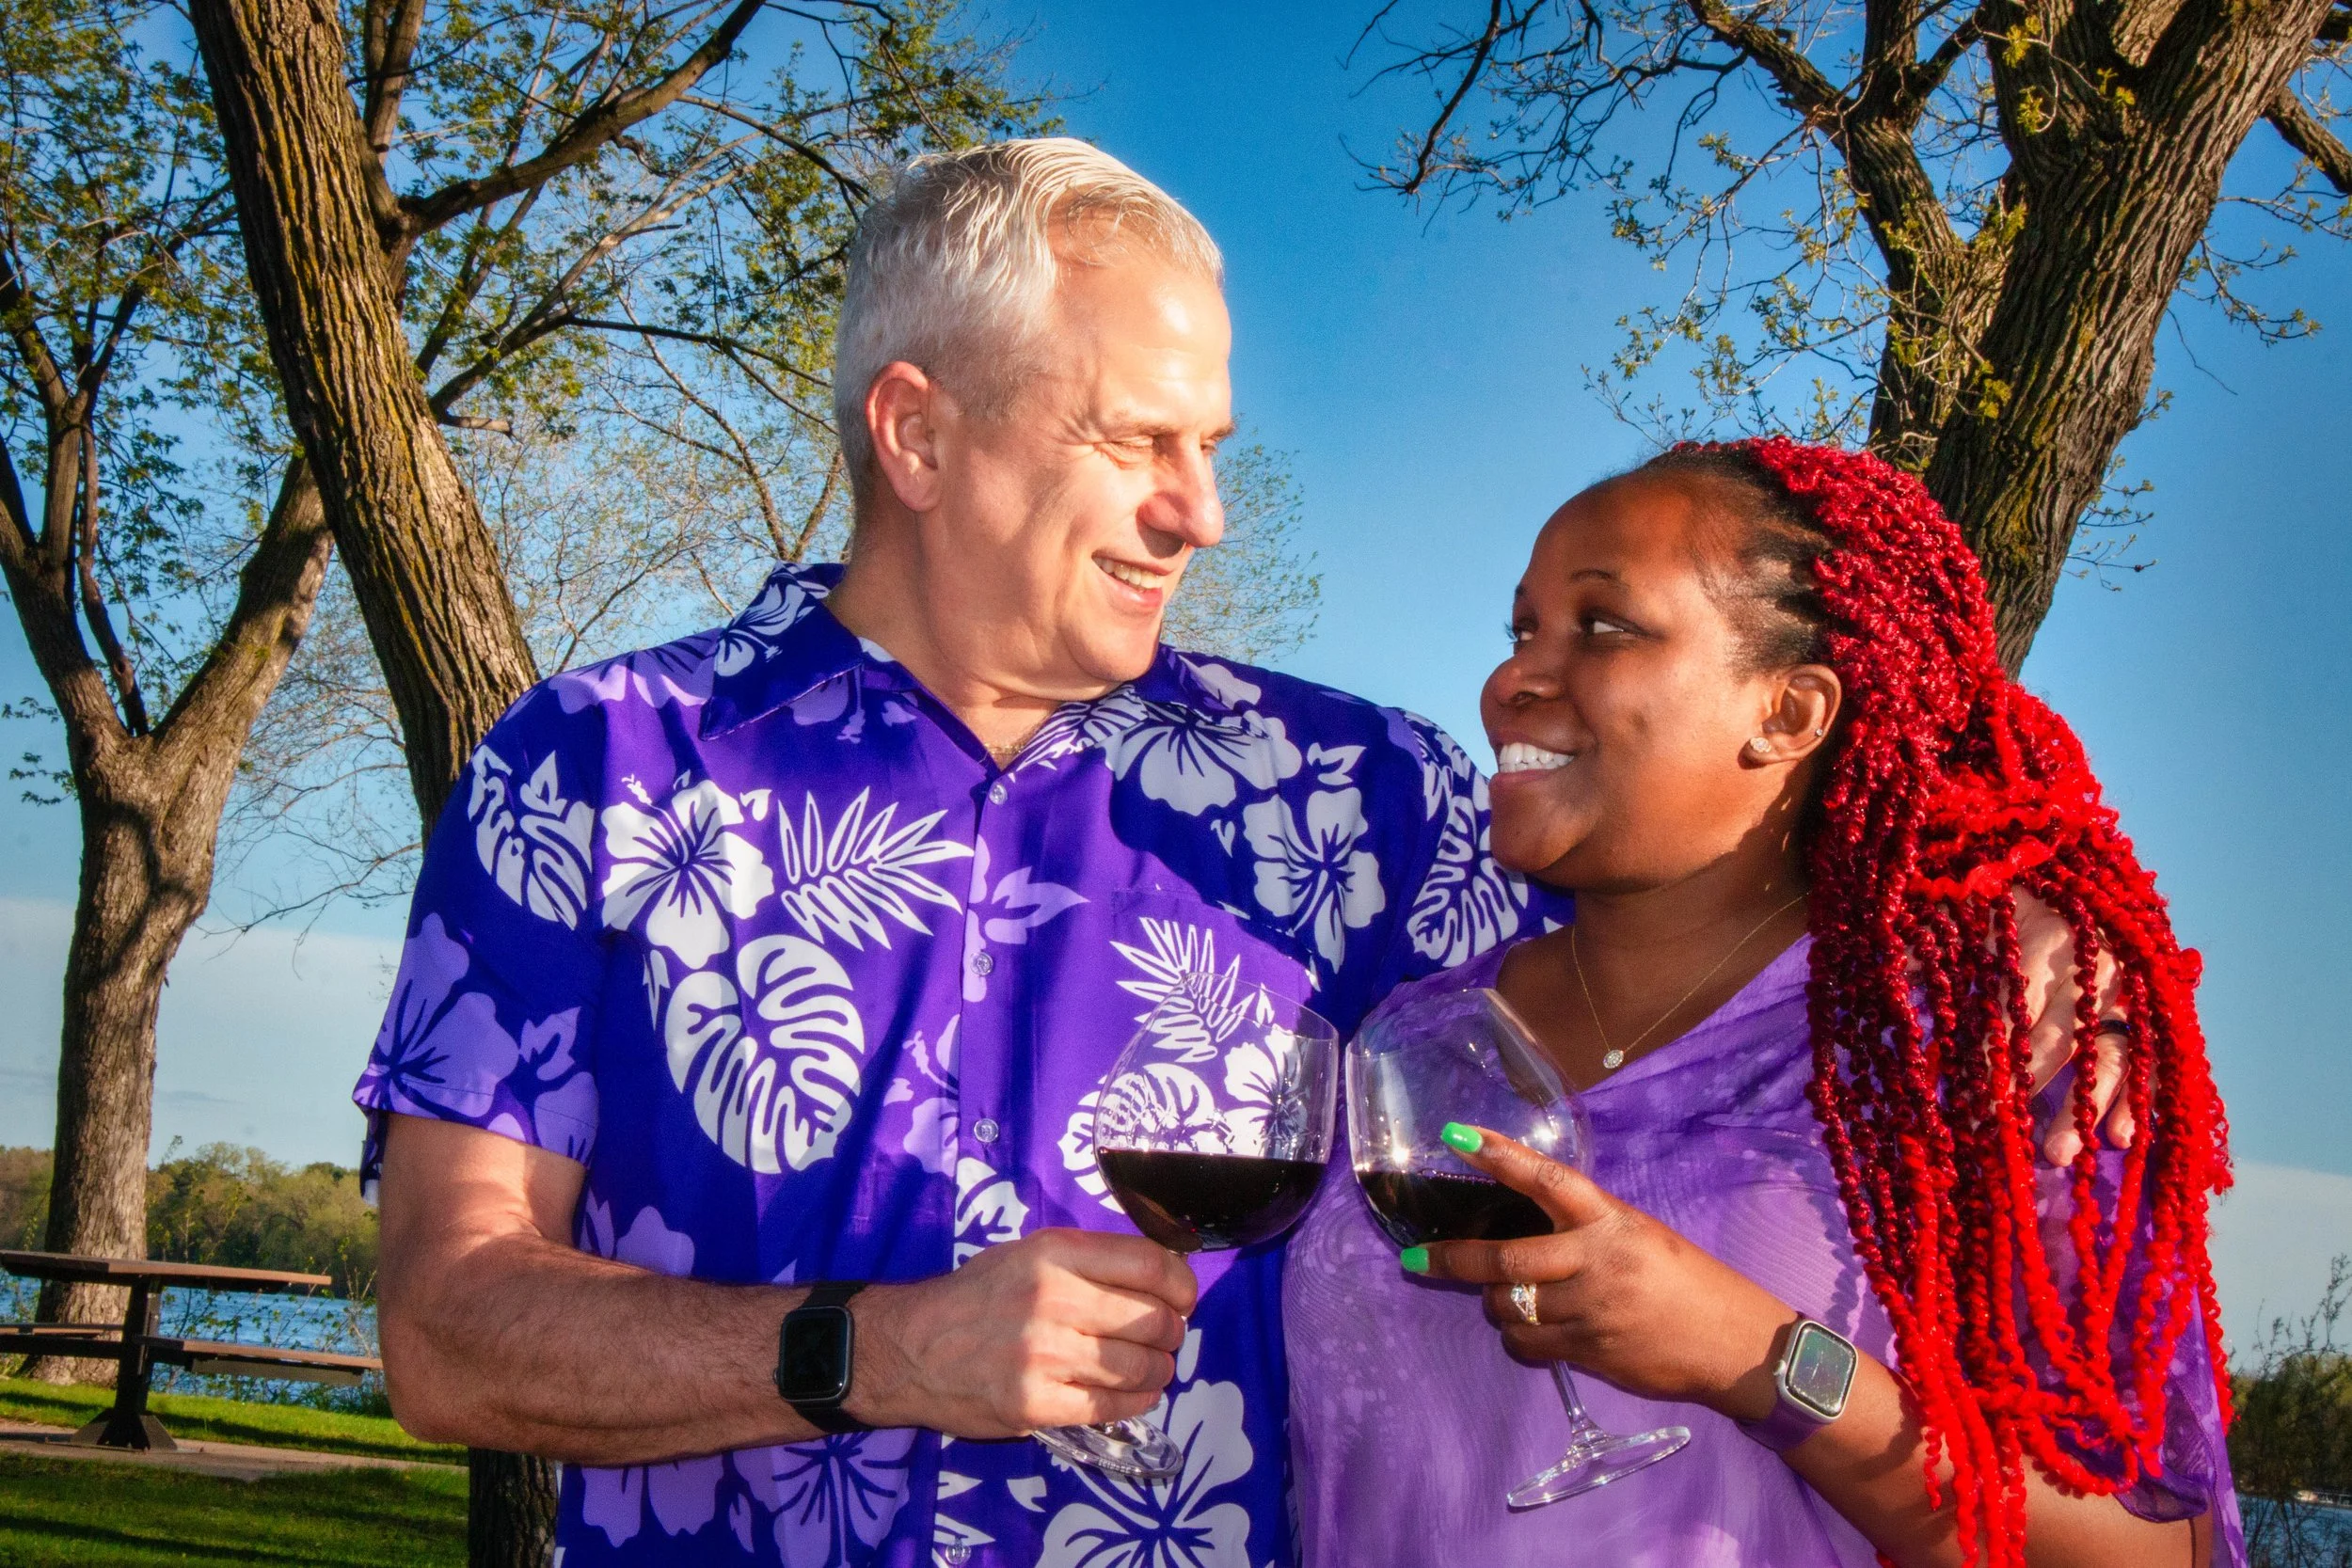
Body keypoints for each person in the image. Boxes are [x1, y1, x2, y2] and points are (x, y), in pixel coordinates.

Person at [354, 137, 1549, 1568]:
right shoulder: (588, 766)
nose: (1200, 513)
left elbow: (1632, 1118)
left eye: (1209, 447)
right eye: (1132, 441)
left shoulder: (1367, 797)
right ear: (918, 434)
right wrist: (883, 1350)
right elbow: (444, 1330)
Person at [1284, 438, 2236, 1568]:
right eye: (1520, 629)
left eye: (1601, 626)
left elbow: (2148, 1553)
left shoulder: (1987, 1048)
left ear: (1788, 712)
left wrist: (1753, 1351)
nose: (1514, 678)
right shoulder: (1413, 1029)